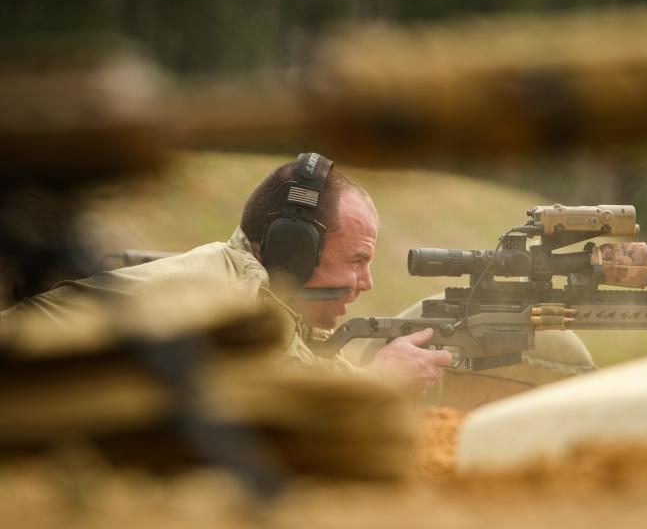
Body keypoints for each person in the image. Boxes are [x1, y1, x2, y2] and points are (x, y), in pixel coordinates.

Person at [0, 153, 452, 393]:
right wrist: (380, 379)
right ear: (292, 251)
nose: (366, 283)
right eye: (356, 260)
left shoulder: (239, 280)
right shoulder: (233, 295)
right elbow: (279, 385)